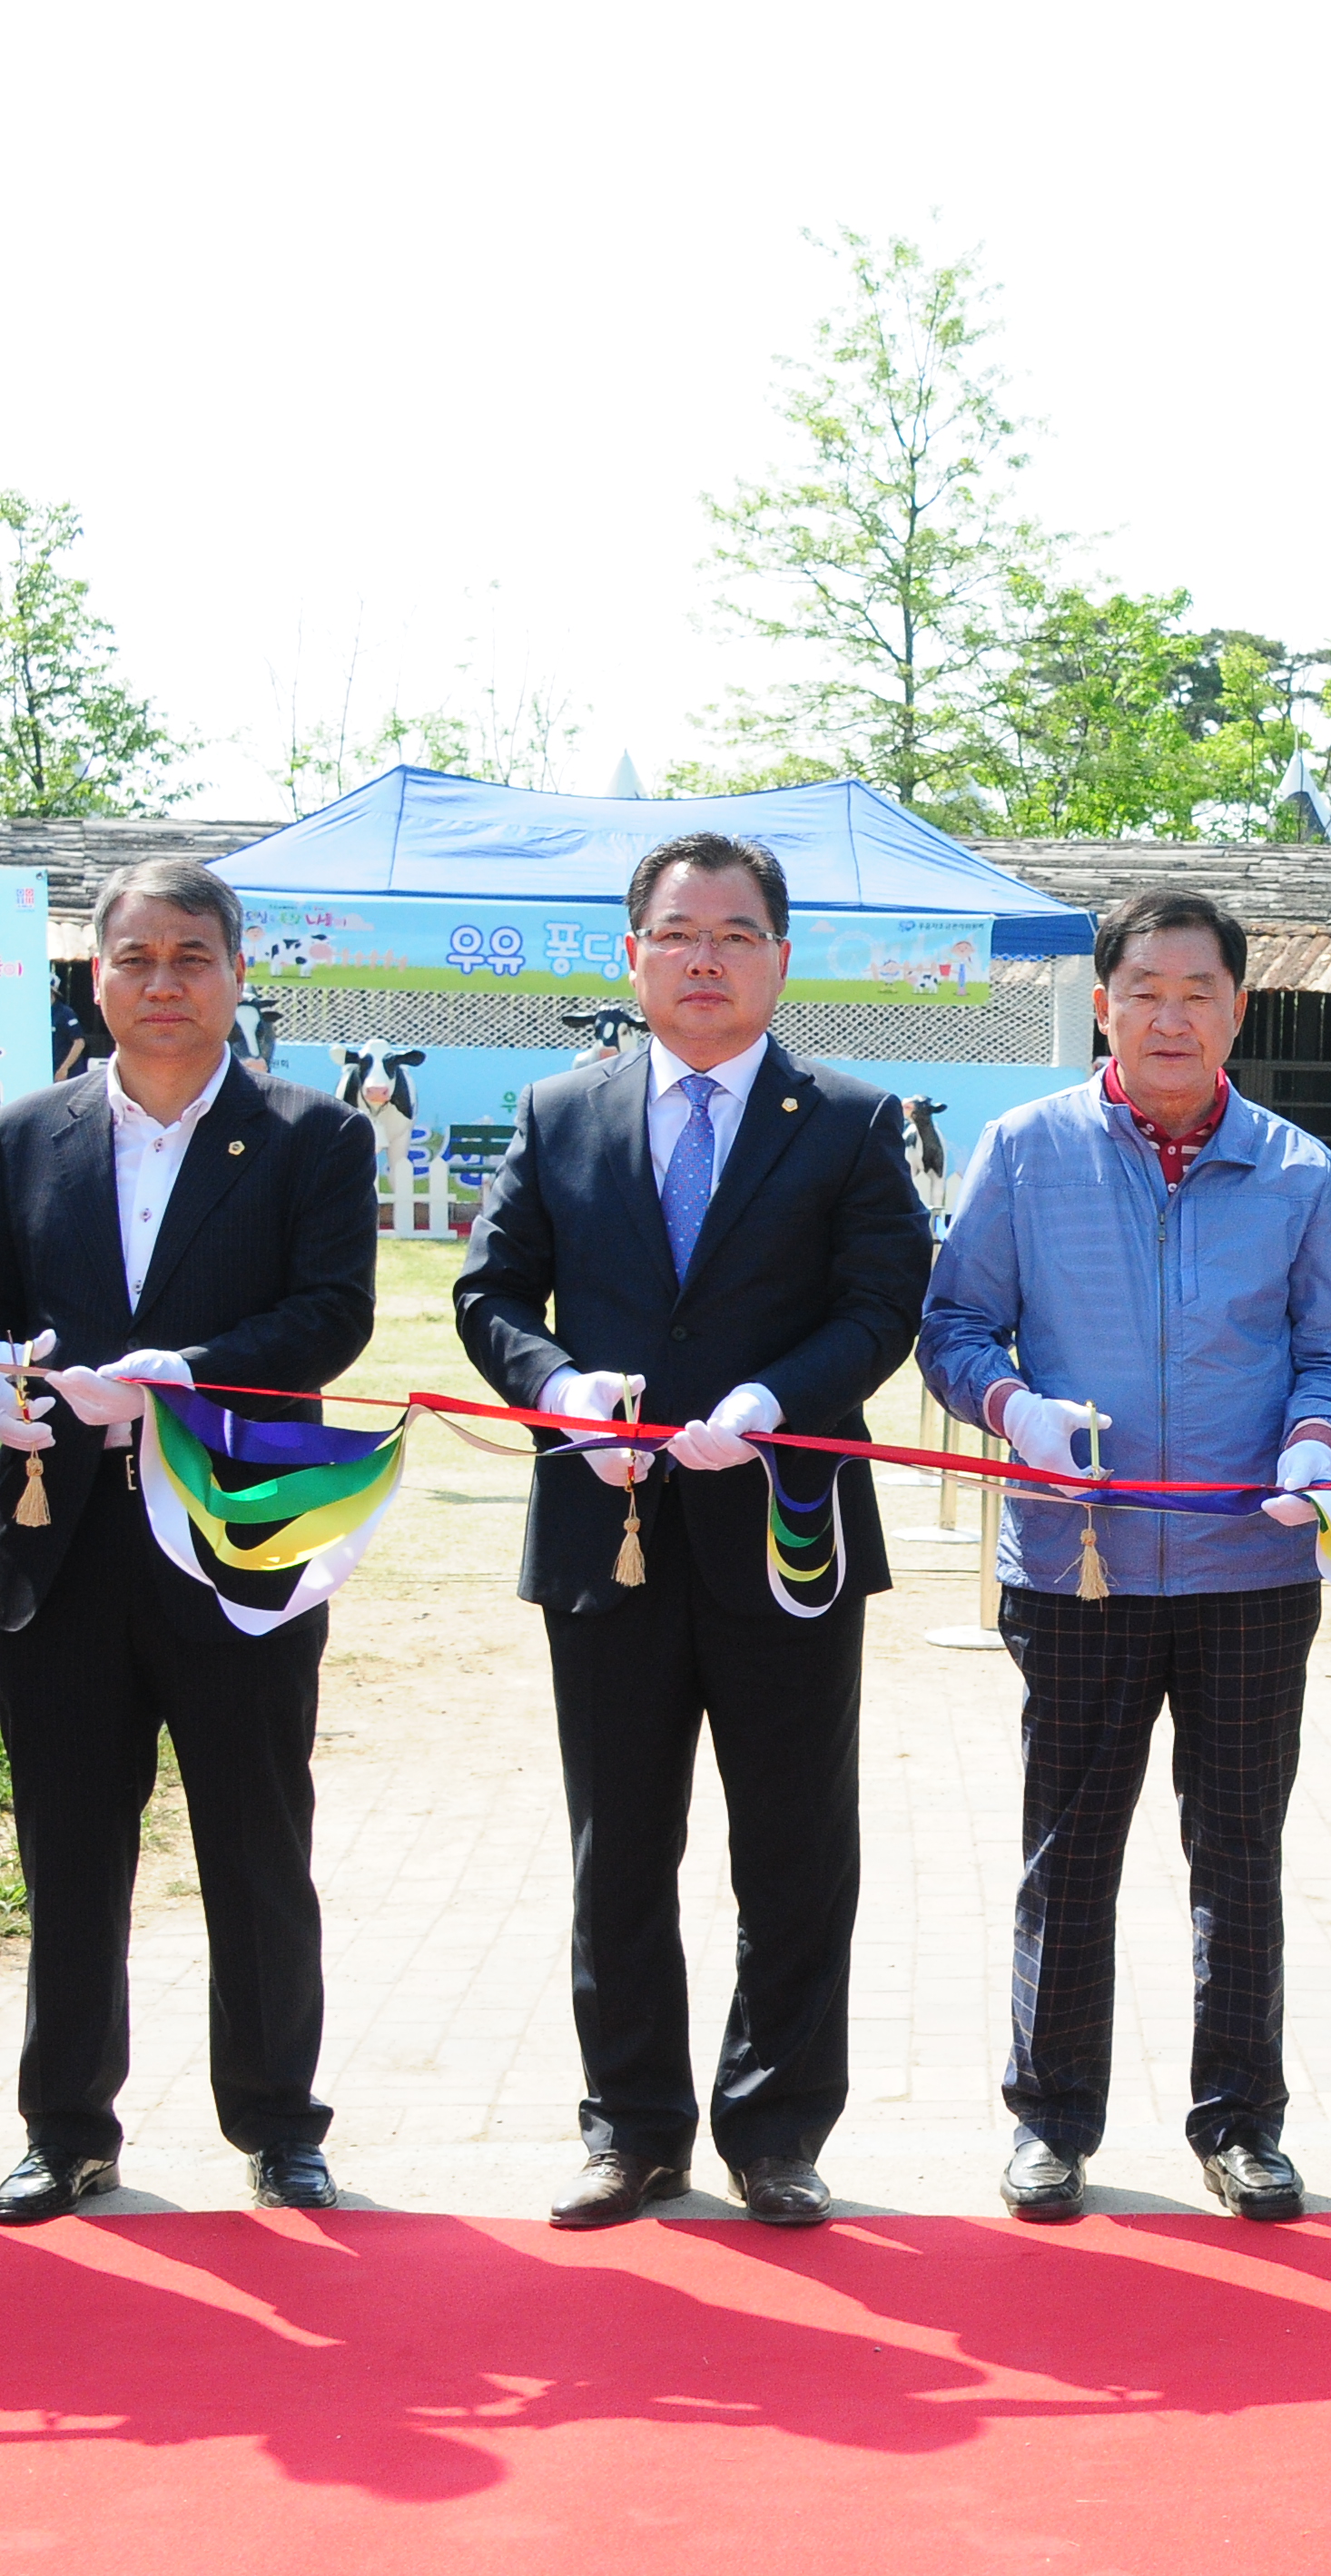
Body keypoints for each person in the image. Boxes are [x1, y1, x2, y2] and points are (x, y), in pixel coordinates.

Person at [458, 831, 932, 2228]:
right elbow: (491, 1296)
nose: (705, 958)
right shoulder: (558, 1113)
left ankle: (776, 2131)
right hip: (605, 1532)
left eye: (735, 934)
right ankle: (635, 2130)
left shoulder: (848, 1120)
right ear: (634, 956)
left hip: (785, 1529)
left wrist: (776, 1395)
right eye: (679, 933)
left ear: (781, 959)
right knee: (620, 1846)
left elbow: (882, 1304)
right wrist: (560, 1393)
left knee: (792, 1845)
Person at [919, 888, 1331, 2226]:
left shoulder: (1298, 1170)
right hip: (1081, 1569)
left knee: (1239, 1854)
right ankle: (1051, 2120)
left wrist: (1313, 1441)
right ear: (1105, 1002)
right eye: (1145, 989)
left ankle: (1241, 2121)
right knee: (1068, 1853)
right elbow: (954, 1328)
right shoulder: (1024, 1151)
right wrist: (1014, 1409)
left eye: (1200, 991)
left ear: (1239, 1008)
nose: (1171, 1015)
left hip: (1250, 1569)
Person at [0, 862, 375, 2224]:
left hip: (237, 1536)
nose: (165, 984)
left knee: (256, 1839)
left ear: (235, 973)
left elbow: (331, 1315)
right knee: (71, 1843)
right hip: (62, 1549)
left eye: (194, 958)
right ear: (95, 976)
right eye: (138, 958)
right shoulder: (21, 1136)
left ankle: (279, 2121)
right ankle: (67, 2126)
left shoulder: (312, 1137)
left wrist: (176, 1371)